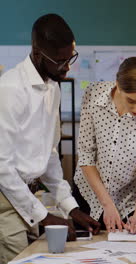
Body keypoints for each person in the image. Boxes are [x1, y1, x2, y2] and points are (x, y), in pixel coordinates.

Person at [0, 14, 100, 262]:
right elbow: (1, 165)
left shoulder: (52, 86)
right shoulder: (11, 89)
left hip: (26, 196)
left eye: (70, 59)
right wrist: (44, 216)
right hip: (5, 196)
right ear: (37, 53)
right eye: (60, 61)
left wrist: (70, 207)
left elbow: (50, 154)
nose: (67, 68)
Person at [74, 57, 136, 234]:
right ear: (117, 85)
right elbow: (86, 155)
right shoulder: (93, 95)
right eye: (131, 101)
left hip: (128, 204)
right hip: (88, 195)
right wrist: (107, 204)